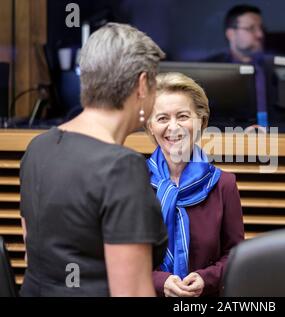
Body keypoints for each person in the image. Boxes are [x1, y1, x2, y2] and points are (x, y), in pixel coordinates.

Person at [19, 23, 167, 296]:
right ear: (143, 84)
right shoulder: (122, 167)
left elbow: (33, 254)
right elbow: (131, 293)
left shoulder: (37, 148)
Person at [145, 72, 244, 297]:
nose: (173, 127)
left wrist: (206, 279)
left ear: (201, 122)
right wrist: (161, 282)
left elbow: (235, 255)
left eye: (182, 116)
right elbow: (120, 255)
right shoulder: (133, 181)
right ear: (150, 126)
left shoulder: (223, 184)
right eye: (162, 118)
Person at [205, 4, 268, 128]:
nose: (260, 34)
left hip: (276, 137)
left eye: (261, 28)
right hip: (228, 137)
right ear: (231, 34)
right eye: (251, 28)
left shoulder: (270, 68)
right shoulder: (211, 69)